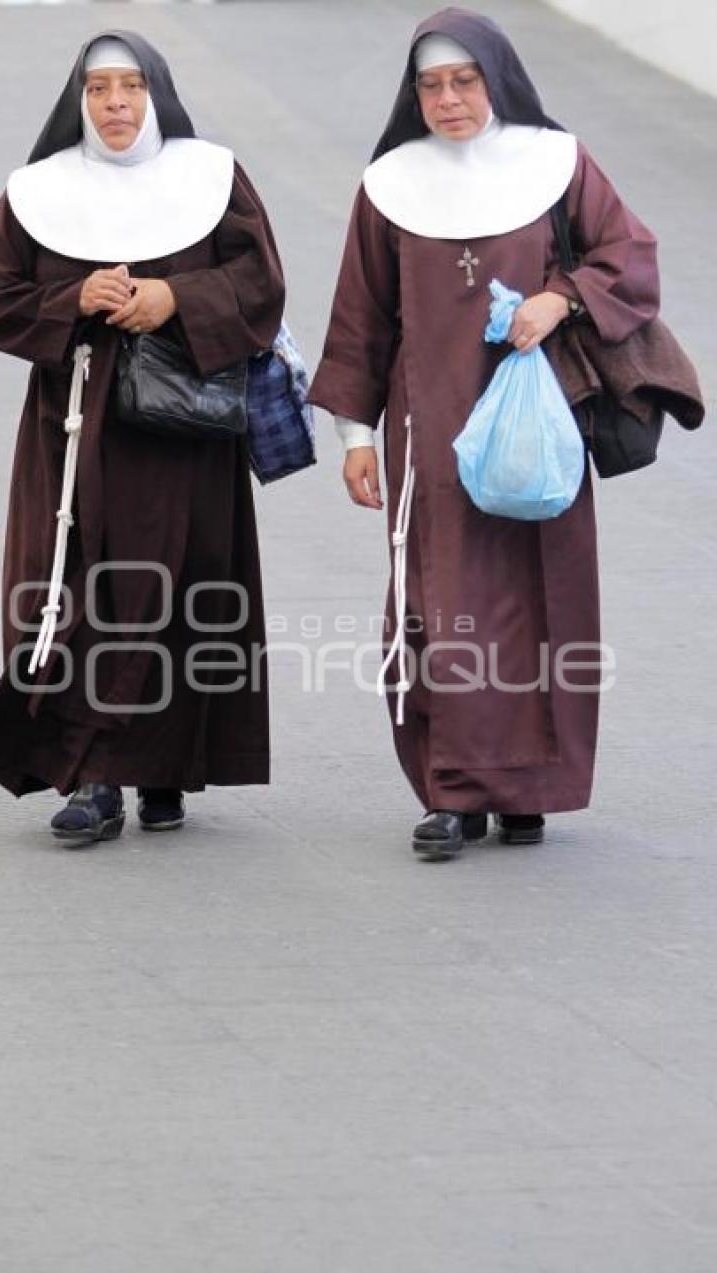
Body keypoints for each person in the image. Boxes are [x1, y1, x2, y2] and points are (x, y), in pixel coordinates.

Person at [309, 7, 660, 861]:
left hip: (538, 424)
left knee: (540, 601)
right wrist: (357, 435)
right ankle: (454, 790)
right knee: (441, 605)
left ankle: (527, 785)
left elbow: (628, 254)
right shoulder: (389, 184)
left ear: (497, 82)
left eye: (465, 81)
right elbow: (361, 319)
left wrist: (561, 296)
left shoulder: (556, 162)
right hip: (428, 431)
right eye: (430, 85)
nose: (448, 98)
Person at [0, 31, 285, 845]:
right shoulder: (38, 191)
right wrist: (73, 297)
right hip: (76, 431)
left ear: (157, 94)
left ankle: (167, 768)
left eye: (131, 87)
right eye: (99, 88)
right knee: (90, 589)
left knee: (181, 586)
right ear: (79, 99)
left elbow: (261, 282)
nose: (115, 104)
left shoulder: (211, 176)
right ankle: (97, 772)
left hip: (186, 428)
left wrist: (176, 299)